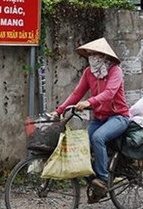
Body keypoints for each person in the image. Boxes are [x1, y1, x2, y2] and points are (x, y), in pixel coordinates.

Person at [52, 37, 130, 198]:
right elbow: (77, 93)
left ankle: (103, 179)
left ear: (104, 56)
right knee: (81, 145)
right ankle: (93, 179)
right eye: (90, 54)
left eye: (96, 54)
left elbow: (109, 94)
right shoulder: (89, 73)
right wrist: (59, 111)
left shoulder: (115, 71)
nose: (92, 57)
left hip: (118, 117)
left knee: (98, 138)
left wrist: (89, 102)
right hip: (100, 118)